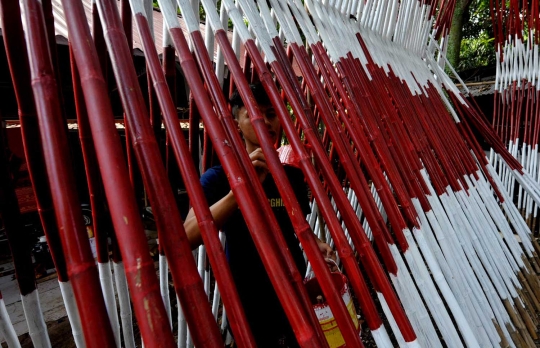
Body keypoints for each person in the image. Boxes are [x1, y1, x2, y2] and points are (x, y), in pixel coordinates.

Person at [183, 84, 335, 347]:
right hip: (247, 302)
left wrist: (318, 245)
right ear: (236, 121)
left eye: (272, 114)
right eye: (255, 113)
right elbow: (186, 236)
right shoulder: (218, 178)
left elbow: (295, 228)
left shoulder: (292, 177)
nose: (265, 121)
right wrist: (239, 191)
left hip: (294, 294)